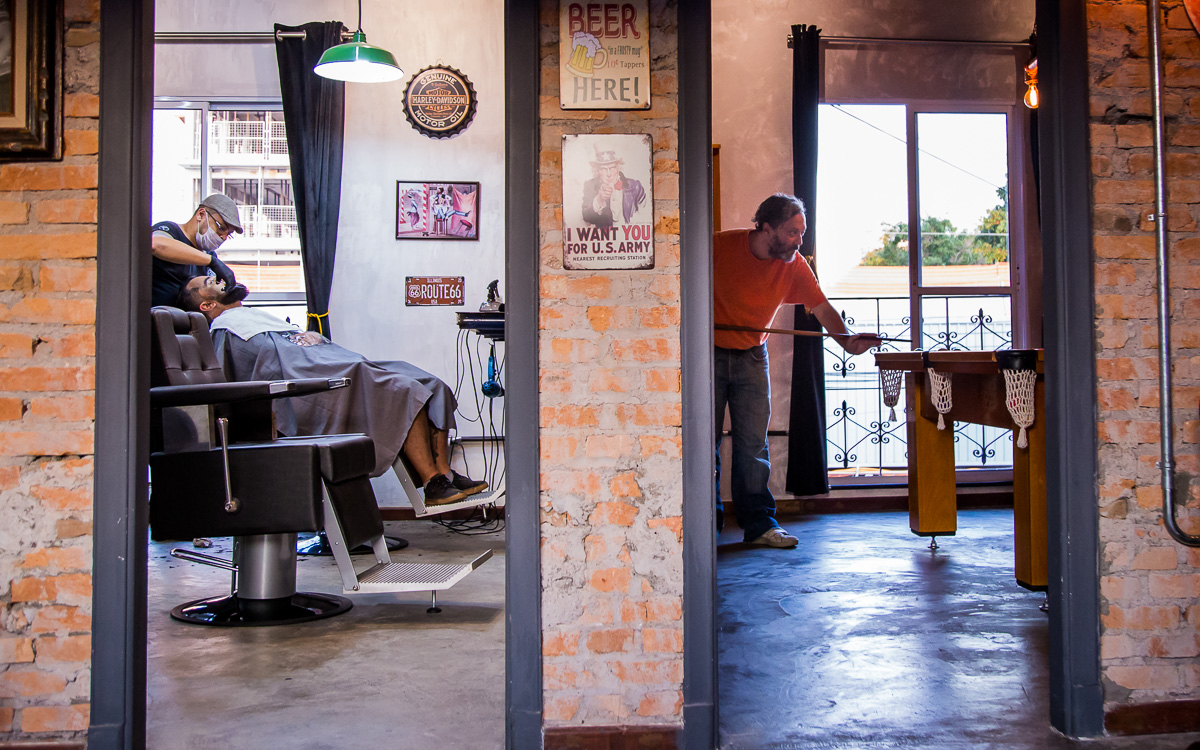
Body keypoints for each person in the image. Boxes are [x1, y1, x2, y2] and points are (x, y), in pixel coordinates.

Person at [175, 275, 488, 506]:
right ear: (207, 304)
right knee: (404, 389)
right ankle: (433, 483)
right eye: (208, 281)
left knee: (430, 384)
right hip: (317, 382)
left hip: (337, 362)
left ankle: (445, 475)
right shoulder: (225, 330)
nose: (217, 278)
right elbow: (251, 375)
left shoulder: (252, 316)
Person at [714, 193, 880, 548]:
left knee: (753, 446)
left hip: (752, 356)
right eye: (792, 232)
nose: (799, 240)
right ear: (766, 227)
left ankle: (758, 526)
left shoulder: (793, 264)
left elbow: (820, 305)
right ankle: (704, 525)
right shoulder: (717, 247)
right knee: (703, 443)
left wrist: (847, 342)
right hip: (706, 352)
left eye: (801, 233)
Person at [151, 194, 243, 308]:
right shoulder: (171, 231)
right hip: (157, 319)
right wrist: (212, 262)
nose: (223, 237)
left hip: (190, 322)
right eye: (221, 228)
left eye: (228, 234)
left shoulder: (208, 255)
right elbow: (156, 244)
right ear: (201, 214)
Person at [581, 144, 647, 228]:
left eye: (612, 168)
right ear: (597, 170)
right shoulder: (589, 186)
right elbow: (586, 217)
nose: (609, 174)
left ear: (618, 168)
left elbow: (646, 215)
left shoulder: (635, 186)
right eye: (604, 169)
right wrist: (599, 199)